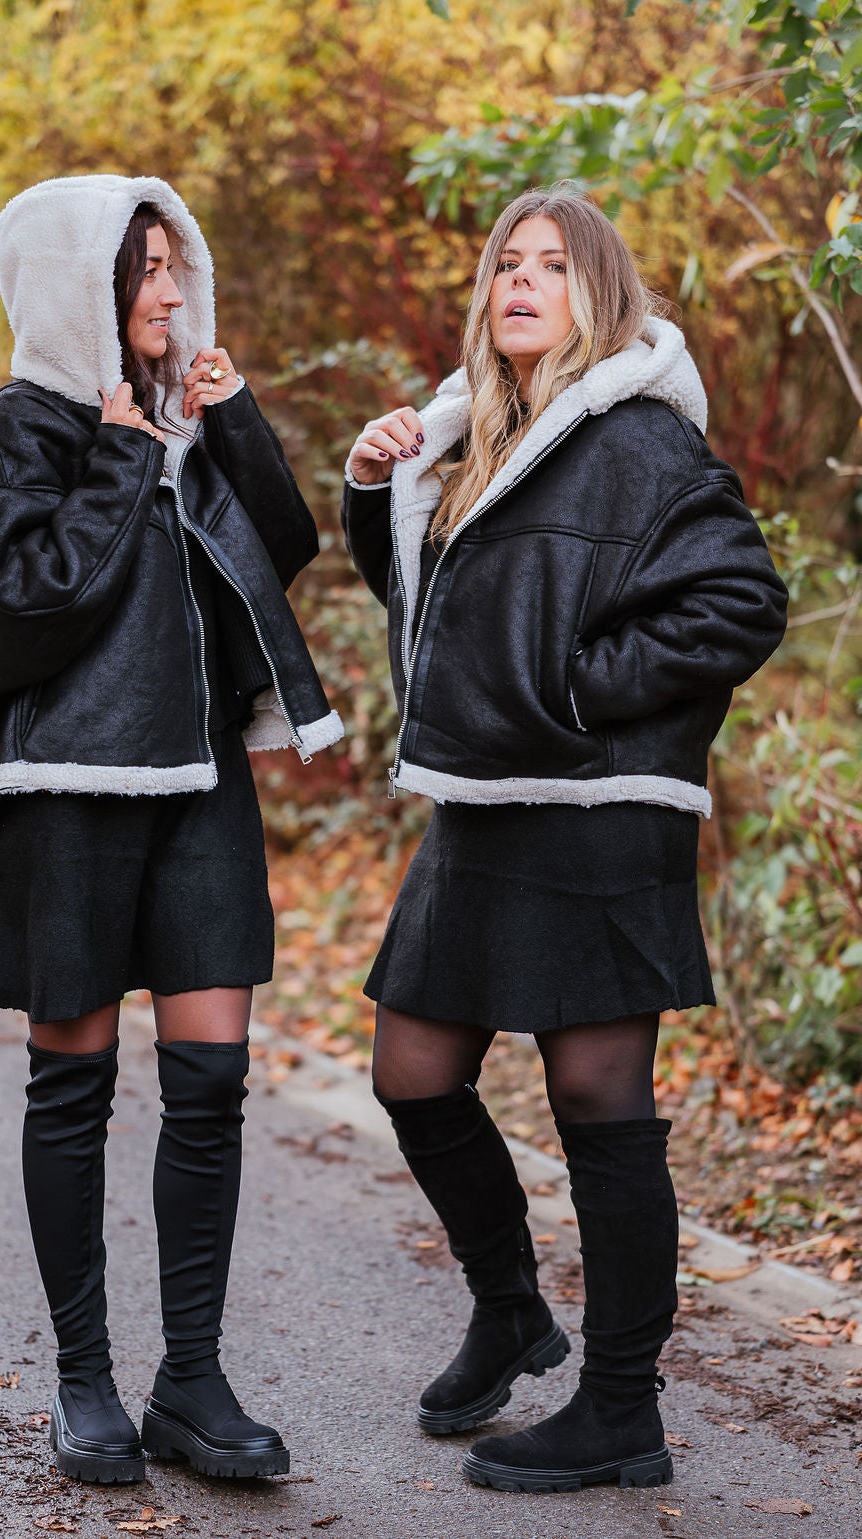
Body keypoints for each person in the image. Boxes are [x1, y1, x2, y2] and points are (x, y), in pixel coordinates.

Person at [341, 185, 787, 1494]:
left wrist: (579, 695)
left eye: (552, 265)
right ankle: (508, 1310)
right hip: (484, 803)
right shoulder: (483, 433)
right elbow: (448, 621)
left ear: (603, 295)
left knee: (600, 1101)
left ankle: (620, 1410)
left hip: (598, 813)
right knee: (413, 1070)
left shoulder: (640, 440)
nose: (521, 283)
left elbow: (740, 604)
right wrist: (377, 492)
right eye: (506, 265)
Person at [0, 174, 342, 1486]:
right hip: (70, 792)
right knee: (75, 1086)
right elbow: (27, 603)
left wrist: (232, 419)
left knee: (211, 1081)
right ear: (82, 287)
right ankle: (84, 1382)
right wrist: (121, 455)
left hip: (200, 781)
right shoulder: (23, 423)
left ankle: (191, 1384)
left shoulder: (173, 418)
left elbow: (278, 549)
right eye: (145, 269)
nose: (172, 291)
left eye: (174, 266)